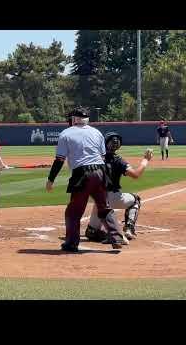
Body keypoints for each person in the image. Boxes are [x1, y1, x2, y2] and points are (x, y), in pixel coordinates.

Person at [46, 107, 126, 252]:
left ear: (74, 119)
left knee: (74, 211)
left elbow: (59, 160)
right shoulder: (96, 132)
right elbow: (102, 157)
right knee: (104, 207)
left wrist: (51, 179)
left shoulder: (66, 133)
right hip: (101, 172)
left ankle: (71, 243)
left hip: (82, 173)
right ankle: (117, 238)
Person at [85, 132, 153, 243]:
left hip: (93, 196)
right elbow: (136, 174)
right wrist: (145, 160)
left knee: (91, 231)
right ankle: (129, 229)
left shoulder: (94, 157)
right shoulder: (118, 160)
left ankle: (94, 230)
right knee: (136, 200)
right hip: (112, 197)